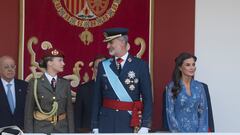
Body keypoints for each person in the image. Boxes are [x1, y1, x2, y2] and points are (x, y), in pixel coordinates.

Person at [91, 27, 153, 133]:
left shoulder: (140, 65)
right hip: (106, 122)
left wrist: (145, 125)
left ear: (122, 42)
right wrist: (94, 125)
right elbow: (97, 98)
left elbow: (147, 98)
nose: (108, 46)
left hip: (129, 122)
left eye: (111, 42)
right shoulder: (103, 65)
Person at [24, 48, 74, 134]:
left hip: (61, 129)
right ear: (49, 62)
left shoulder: (65, 84)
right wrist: (29, 133)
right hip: (41, 128)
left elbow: (69, 111)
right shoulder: (35, 83)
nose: (63, 63)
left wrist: (71, 132)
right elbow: (28, 111)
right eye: (60, 60)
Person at [165, 52, 208, 132]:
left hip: (197, 131)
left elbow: (203, 113)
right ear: (180, 68)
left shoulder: (199, 87)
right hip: (178, 132)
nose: (192, 68)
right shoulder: (172, 87)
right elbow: (170, 114)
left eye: (193, 64)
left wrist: (200, 132)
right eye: (188, 65)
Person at [74, 55, 106, 133]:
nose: (101, 70)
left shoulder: (116, 88)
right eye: (97, 68)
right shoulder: (83, 89)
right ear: (93, 69)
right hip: (88, 131)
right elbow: (77, 116)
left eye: (104, 67)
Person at [0, 56, 28, 130]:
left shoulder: (25, 86)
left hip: (21, 130)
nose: (10, 69)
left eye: (12, 67)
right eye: (6, 67)